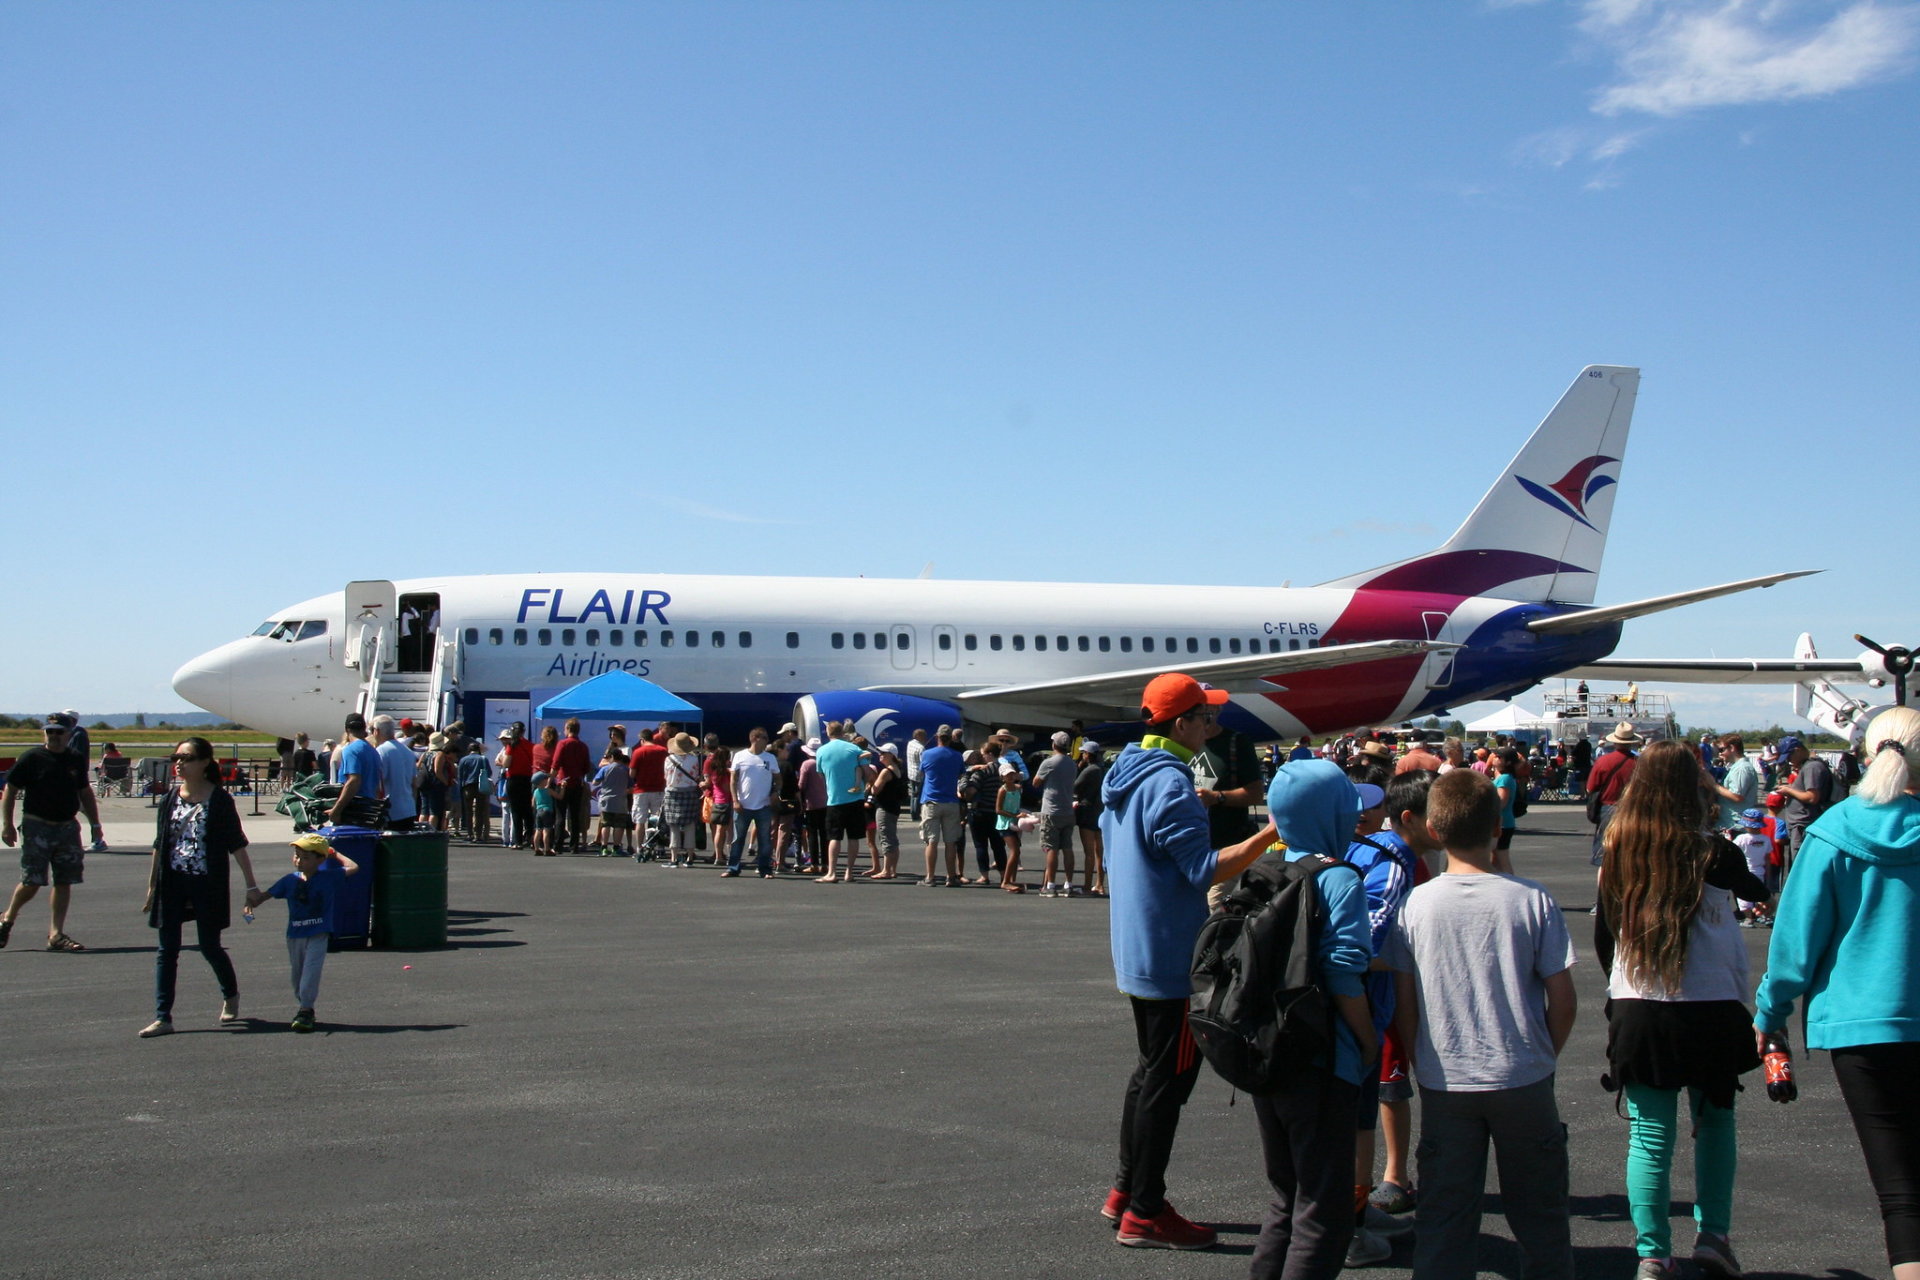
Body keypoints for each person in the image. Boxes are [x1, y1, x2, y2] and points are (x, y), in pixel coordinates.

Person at [1096, 673, 1285, 1251]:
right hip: (1173, 955)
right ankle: (1145, 1212)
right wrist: (1273, 833)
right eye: (1206, 716)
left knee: (1151, 1074)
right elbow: (1202, 869)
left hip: (1138, 946)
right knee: (1169, 1082)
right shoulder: (1172, 783)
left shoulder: (1125, 772)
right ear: (1182, 724)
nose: (1215, 724)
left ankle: (1129, 1193)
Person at [1385, 768, 1578, 1280]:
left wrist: (1418, 1054)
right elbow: (1563, 998)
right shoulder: (1531, 899)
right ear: (1497, 828)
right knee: (1540, 1214)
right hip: (1523, 1073)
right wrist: (1544, 1052)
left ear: (1435, 829)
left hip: (1447, 1077)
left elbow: (1405, 1002)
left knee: (1445, 1215)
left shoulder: (1415, 905)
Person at [1754, 707, 1920, 1280]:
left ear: (1869, 755)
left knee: (1900, 1189)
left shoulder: (1832, 834)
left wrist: (1770, 1012)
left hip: (1861, 1024)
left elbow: (1795, 945)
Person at [1596, 738, 1769, 1278]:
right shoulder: (1715, 850)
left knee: (1649, 1136)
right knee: (1715, 1123)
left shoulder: (1619, 847)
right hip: (1712, 1001)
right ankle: (1713, 1235)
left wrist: (1619, 986)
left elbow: (1605, 935)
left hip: (1642, 1003)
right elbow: (1756, 889)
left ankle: (1652, 1254)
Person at [1240, 760, 1376, 1275]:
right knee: (1324, 1211)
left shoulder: (1264, 869)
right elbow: (1344, 974)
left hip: (1265, 1051)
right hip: (1322, 1059)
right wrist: (1366, 1041)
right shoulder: (1338, 878)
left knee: (1286, 1197)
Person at [139, 736, 261, 1037]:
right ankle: (163, 1017)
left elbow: (237, 845)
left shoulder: (219, 800)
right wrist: (152, 884)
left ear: (205, 762)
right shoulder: (169, 798)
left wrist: (251, 886)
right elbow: (160, 843)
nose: (179, 763)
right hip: (173, 882)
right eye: (176, 757)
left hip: (207, 882)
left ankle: (230, 994)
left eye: (187, 758)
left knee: (209, 946)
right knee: (167, 950)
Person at [0, 715, 105, 952]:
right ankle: (7, 918)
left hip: (66, 827)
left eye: (59, 732)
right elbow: (10, 789)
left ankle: (56, 934)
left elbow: (85, 792)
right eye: (50, 732)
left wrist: (96, 825)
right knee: (32, 881)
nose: (54, 736)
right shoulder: (32, 758)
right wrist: (7, 824)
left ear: (69, 734)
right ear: (44, 734)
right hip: (38, 825)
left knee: (65, 879)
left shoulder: (75, 760)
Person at [245, 832, 359, 1033]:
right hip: (295, 934)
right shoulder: (289, 880)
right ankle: (305, 1006)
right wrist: (251, 903)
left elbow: (353, 867)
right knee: (297, 976)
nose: (299, 860)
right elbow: (264, 896)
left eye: (305, 857)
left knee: (310, 973)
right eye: (297, 855)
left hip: (318, 933)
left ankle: (306, 1009)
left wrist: (334, 853)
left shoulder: (329, 877)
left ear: (319, 860)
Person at [812, 722, 869, 884]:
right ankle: (849, 872)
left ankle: (832, 872)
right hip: (856, 798)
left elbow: (821, 775)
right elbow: (867, 772)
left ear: (828, 732)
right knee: (853, 837)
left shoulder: (821, 751)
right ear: (842, 732)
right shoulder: (854, 749)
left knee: (834, 837)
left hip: (835, 799)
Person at [1771, 736, 1830, 875]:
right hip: (1800, 824)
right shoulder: (1810, 765)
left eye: (1790, 756)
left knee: (1800, 866)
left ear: (1797, 750)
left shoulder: (1812, 767)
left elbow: (1812, 797)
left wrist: (1788, 790)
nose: (1789, 760)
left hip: (1803, 824)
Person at [726, 728, 780, 878]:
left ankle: (765, 869)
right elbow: (733, 780)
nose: (767, 741)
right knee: (738, 838)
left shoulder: (770, 758)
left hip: (763, 805)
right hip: (743, 804)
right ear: (755, 738)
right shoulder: (740, 756)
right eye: (765, 738)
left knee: (764, 839)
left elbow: (778, 778)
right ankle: (733, 867)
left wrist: (776, 792)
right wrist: (735, 800)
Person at [917, 727, 967, 887]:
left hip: (931, 800)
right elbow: (961, 774)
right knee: (950, 842)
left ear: (937, 736)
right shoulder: (957, 756)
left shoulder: (927, 754)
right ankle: (951, 877)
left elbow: (922, 772)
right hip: (951, 801)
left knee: (931, 841)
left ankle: (930, 877)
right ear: (950, 738)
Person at [1587, 723, 1643, 863]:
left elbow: (1591, 787)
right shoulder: (1640, 763)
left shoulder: (1603, 761)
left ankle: (1604, 878)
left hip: (1608, 808)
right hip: (1632, 809)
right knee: (1631, 849)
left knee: (1603, 851)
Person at [1035, 731, 1079, 897]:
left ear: (1054, 745)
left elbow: (1036, 782)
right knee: (1067, 847)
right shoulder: (1072, 763)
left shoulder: (1049, 762)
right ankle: (1069, 884)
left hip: (1051, 811)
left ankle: (1051, 885)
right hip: (1067, 809)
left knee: (1051, 848)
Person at [327, 712, 380, 827]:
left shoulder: (350, 750)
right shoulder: (373, 751)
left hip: (354, 808)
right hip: (370, 807)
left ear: (347, 729)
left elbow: (353, 781)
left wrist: (337, 809)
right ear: (364, 728)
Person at [661, 733, 704, 867]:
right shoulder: (694, 759)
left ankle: (674, 858)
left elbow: (666, 777)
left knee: (673, 826)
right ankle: (690, 857)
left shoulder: (669, 759)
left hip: (672, 793)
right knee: (690, 825)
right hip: (690, 792)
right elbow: (696, 775)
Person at [865, 742, 906, 881]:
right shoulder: (897, 770)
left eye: (883, 753)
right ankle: (892, 869)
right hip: (894, 808)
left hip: (884, 807)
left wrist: (871, 782)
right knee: (892, 838)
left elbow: (875, 790)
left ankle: (886, 870)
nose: (880, 755)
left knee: (886, 838)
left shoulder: (886, 771)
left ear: (891, 755)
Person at [552, 719, 593, 854]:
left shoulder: (562, 744)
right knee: (575, 815)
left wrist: (550, 779)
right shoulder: (583, 746)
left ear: (568, 729)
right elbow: (587, 767)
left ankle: (558, 845)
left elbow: (556, 763)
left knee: (560, 815)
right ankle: (574, 845)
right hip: (577, 783)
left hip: (563, 783)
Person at [372, 716, 418, 833]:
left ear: (377, 731)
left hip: (391, 810)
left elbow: (379, 783)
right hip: (409, 808)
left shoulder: (381, 751)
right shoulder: (408, 751)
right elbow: (414, 783)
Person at [1074, 741, 1107, 897]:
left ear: (1088, 754)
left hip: (1087, 810)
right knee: (1099, 851)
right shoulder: (1103, 769)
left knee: (1088, 852)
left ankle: (1087, 886)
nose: (1082, 755)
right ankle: (1100, 884)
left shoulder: (1089, 770)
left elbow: (1075, 786)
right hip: (1101, 810)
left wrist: (1079, 767)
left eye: (1084, 752)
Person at [1709, 734, 1761, 833]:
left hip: (1736, 826)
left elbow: (1737, 796)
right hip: (1728, 824)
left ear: (1732, 748)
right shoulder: (1735, 767)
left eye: (1721, 750)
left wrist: (1713, 785)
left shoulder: (1742, 769)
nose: (1720, 754)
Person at [497, 725, 534, 849]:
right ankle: (530, 837)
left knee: (516, 810)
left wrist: (501, 761)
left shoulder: (511, 746)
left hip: (513, 779)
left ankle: (517, 841)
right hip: (527, 779)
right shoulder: (530, 745)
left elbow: (506, 763)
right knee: (528, 810)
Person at [592, 745, 632, 857]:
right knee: (619, 825)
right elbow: (631, 785)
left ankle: (604, 847)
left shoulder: (605, 769)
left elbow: (595, 782)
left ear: (613, 757)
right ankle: (616, 848)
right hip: (620, 799)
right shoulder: (626, 770)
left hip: (606, 799)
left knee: (606, 824)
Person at [702, 737, 733, 867]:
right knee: (728, 830)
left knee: (717, 829)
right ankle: (727, 854)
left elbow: (708, 782)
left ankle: (718, 854)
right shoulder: (728, 772)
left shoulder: (714, 770)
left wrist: (702, 784)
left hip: (716, 801)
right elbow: (729, 788)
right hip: (727, 801)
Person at [458, 742, 493, 845]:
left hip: (468, 786)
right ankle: (478, 835)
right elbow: (489, 772)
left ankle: (470, 834)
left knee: (468, 811)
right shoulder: (483, 759)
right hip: (480, 786)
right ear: (478, 749)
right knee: (479, 811)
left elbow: (460, 774)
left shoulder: (463, 759)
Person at [530, 771, 559, 855]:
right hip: (547, 811)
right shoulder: (548, 790)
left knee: (538, 830)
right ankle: (547, 848)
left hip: (539, 811)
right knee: (546, 831)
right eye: (545, 779)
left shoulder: (535, 792)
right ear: (542, 781)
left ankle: (536, 848)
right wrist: (563, 788)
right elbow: (559, 796)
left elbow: (533, 804)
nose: (547, 780)